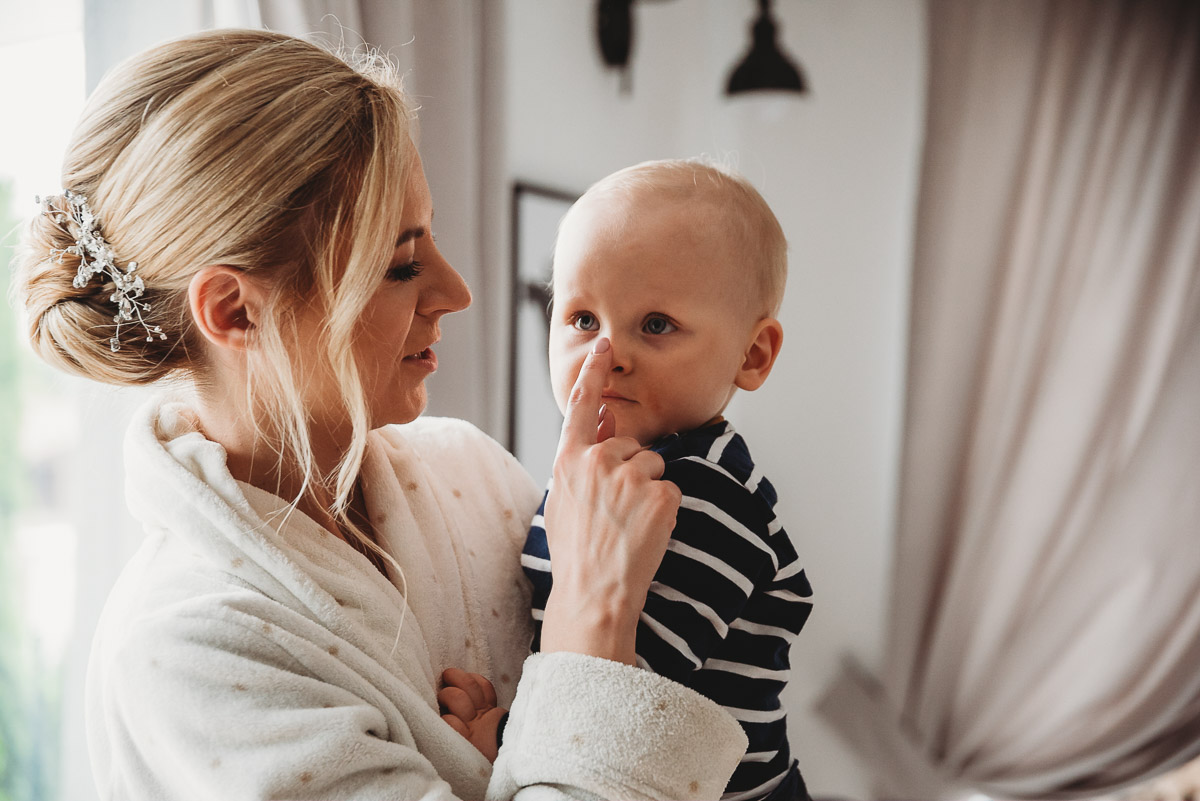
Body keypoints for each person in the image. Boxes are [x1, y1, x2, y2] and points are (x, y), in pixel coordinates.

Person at [13, 29, 750, 800]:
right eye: (401, 263)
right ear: (236, 310)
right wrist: (593, 618)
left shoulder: (470, 471)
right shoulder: (189, 651)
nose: (457, 290)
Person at [521, 160, 814, 801]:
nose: (608, 354)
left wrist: (503, 731)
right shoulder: (597, 475)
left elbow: (621, 697)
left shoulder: (704, 497)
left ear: (752, 354)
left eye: (656, 325)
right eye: (581, 320)